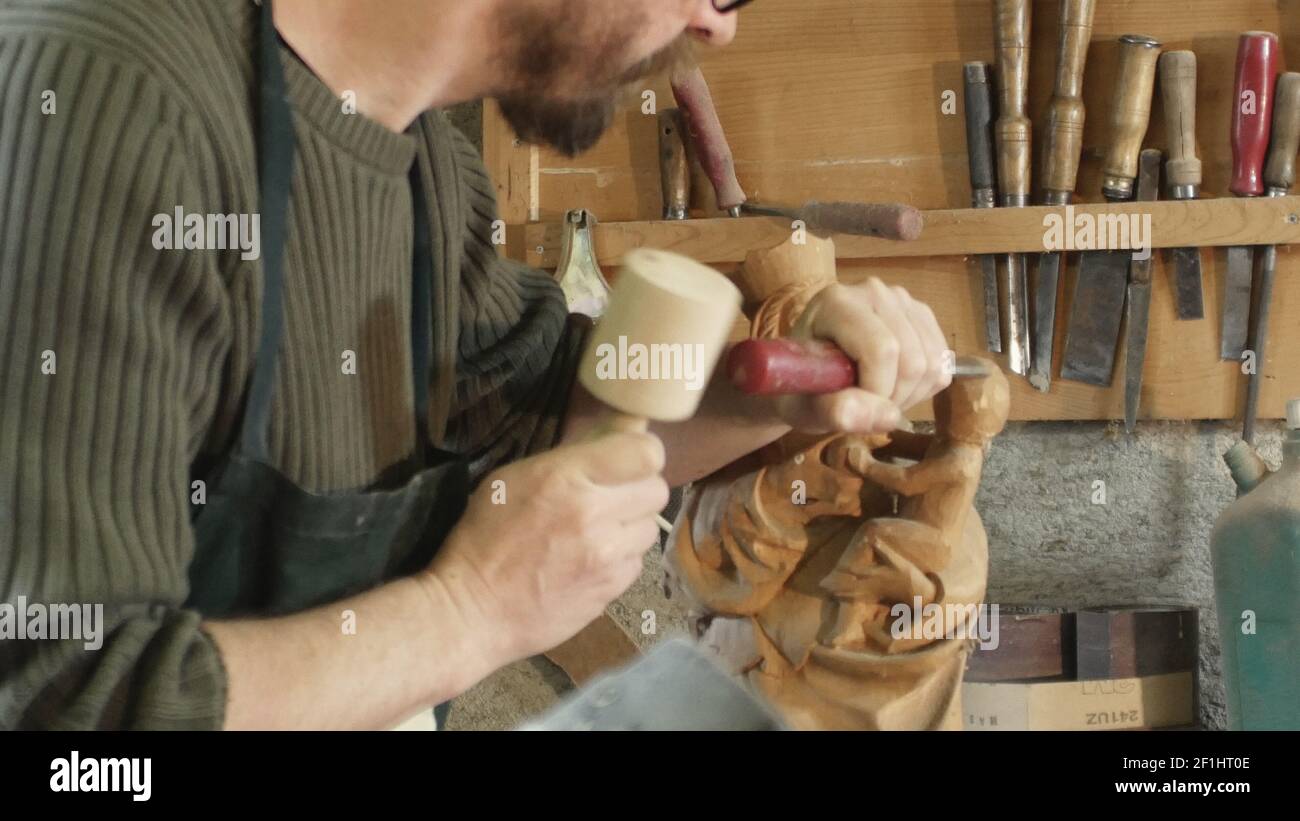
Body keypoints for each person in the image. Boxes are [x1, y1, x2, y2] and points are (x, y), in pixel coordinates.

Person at [0, 0, 951, 729]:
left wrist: (779, 392)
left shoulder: (423, 165)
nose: (714, 26)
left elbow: (556, 414)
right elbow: (66, 723)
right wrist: (470, 611)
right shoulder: (107, 97)